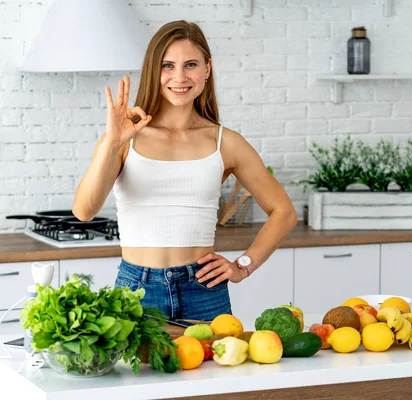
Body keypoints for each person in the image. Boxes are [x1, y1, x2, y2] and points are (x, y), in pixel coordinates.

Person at [73, 20, 297, 321]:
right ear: (155, 70)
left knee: (213, 369)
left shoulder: (225, 142)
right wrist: (112, 142)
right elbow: (84, 211)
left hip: (204, 290)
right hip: (136, 291)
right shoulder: (126, 137)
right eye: (168, 65)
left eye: (190, 64)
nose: (179, 76)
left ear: (207, 69)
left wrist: (243, 266)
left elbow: (284, 212)